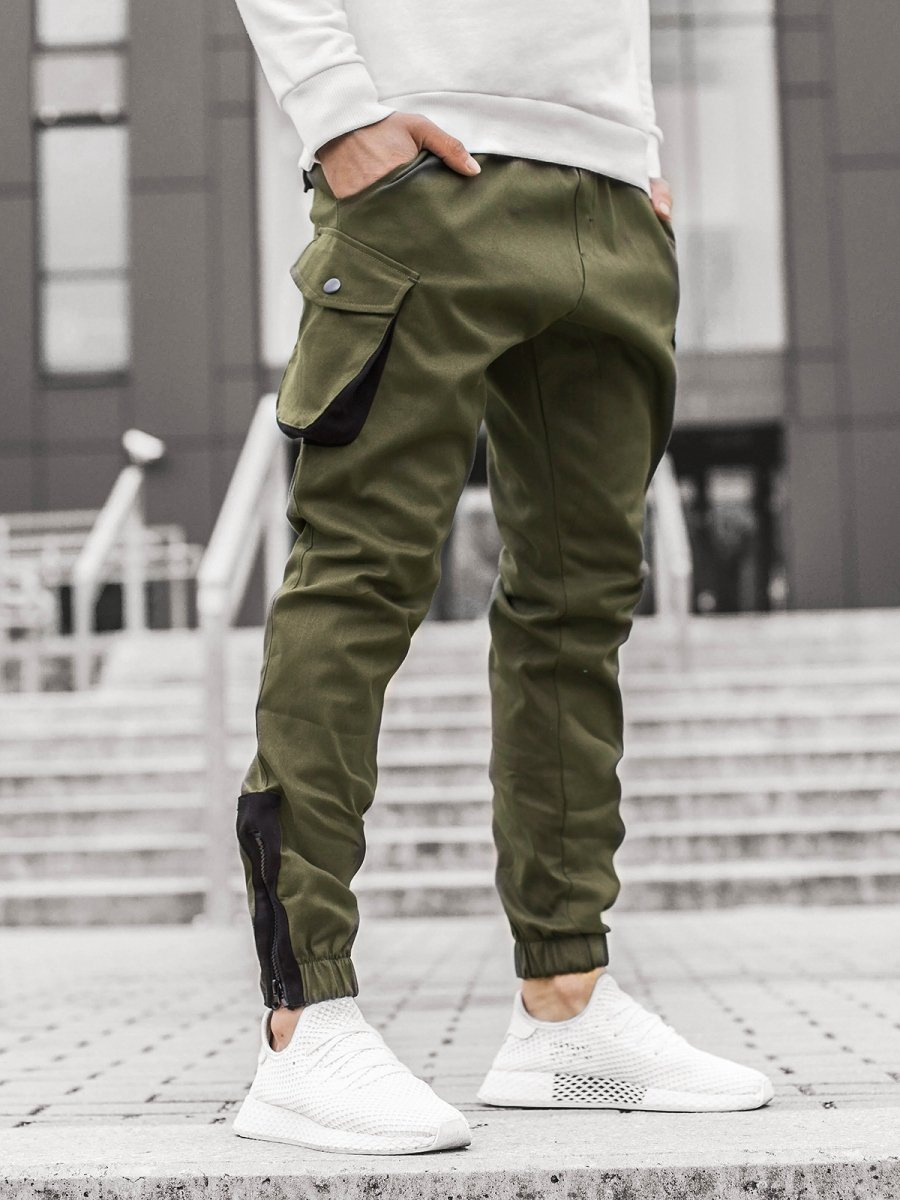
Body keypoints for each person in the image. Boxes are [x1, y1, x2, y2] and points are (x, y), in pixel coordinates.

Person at [229, 0, 774, 1155]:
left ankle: (566, 1007)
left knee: (579, 608)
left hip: (611, 197)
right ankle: (303, 1022)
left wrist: (633, 152)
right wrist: (338, 113)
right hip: (425, 173)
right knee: (362, 577)